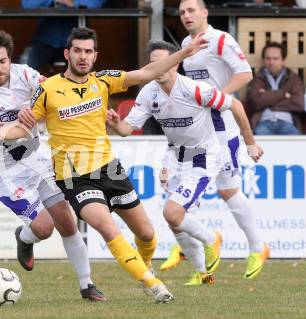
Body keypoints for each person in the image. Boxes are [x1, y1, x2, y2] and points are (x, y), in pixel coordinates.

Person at [0, 27, 209, 303]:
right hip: (73, 177)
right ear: (67, 54)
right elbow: (22, 129)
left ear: (95, 56)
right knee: (107, 228)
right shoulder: (48, 89)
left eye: (88, 52)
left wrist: (184, 53)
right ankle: (154, 285)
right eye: (78, 51)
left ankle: (145, 266)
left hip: (110, 168)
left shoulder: (103, 81)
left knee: (146, 233)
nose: (83, 57)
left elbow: (146, 73)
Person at [0, 28, 105, 302]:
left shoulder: (26, 75)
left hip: (37, 160)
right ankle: (24, 239)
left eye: (3, 61)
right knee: (45, 228)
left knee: (67, 222)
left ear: (10, 58)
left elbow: (56, 95)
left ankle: (87, 285)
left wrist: (43, 108)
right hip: (6, 172)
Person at [106, 40, 263, 285]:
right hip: (176, 157)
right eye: (153, 62)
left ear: (175, 63)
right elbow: (127, 129)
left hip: (204, 157)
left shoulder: (194, 89)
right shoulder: (149, 92)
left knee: (173, 212)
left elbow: (236, 105)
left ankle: (213, 239)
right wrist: (116, 125)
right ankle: (203, 273)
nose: (157, 67)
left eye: (162, 62)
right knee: (175, 220)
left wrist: (250, 142)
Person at [160, 0, 270, 282]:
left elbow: (246, 73)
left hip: (224, 127)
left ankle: (257, 247)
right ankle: (193, 256)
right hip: (202, 125)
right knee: (189, 182)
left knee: (228, 190)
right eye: (182, 12)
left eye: (191, 10)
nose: (185, 15)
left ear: (204, 13)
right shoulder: (186, 43)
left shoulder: (221, 40)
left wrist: (218, 96)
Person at [21, 0, 105, 72]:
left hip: (77, 41)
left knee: (87, 76)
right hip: (45, 40)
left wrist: (74, 2)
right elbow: (27, 4)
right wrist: (53, 1)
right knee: (24, 69)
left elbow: (96, 4)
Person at [246, 42, 304, 135]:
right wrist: (283, 95)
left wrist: (267, 98)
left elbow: (298, 104)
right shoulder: (257, 78)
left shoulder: (293, 78)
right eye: (268, 58)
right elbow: (254, 103)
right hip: (263, 122)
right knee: (257, 145)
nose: (271, 62)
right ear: (264, 59)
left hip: (287, 122)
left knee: (297, 145)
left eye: (275, 58)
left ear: (283, 60)